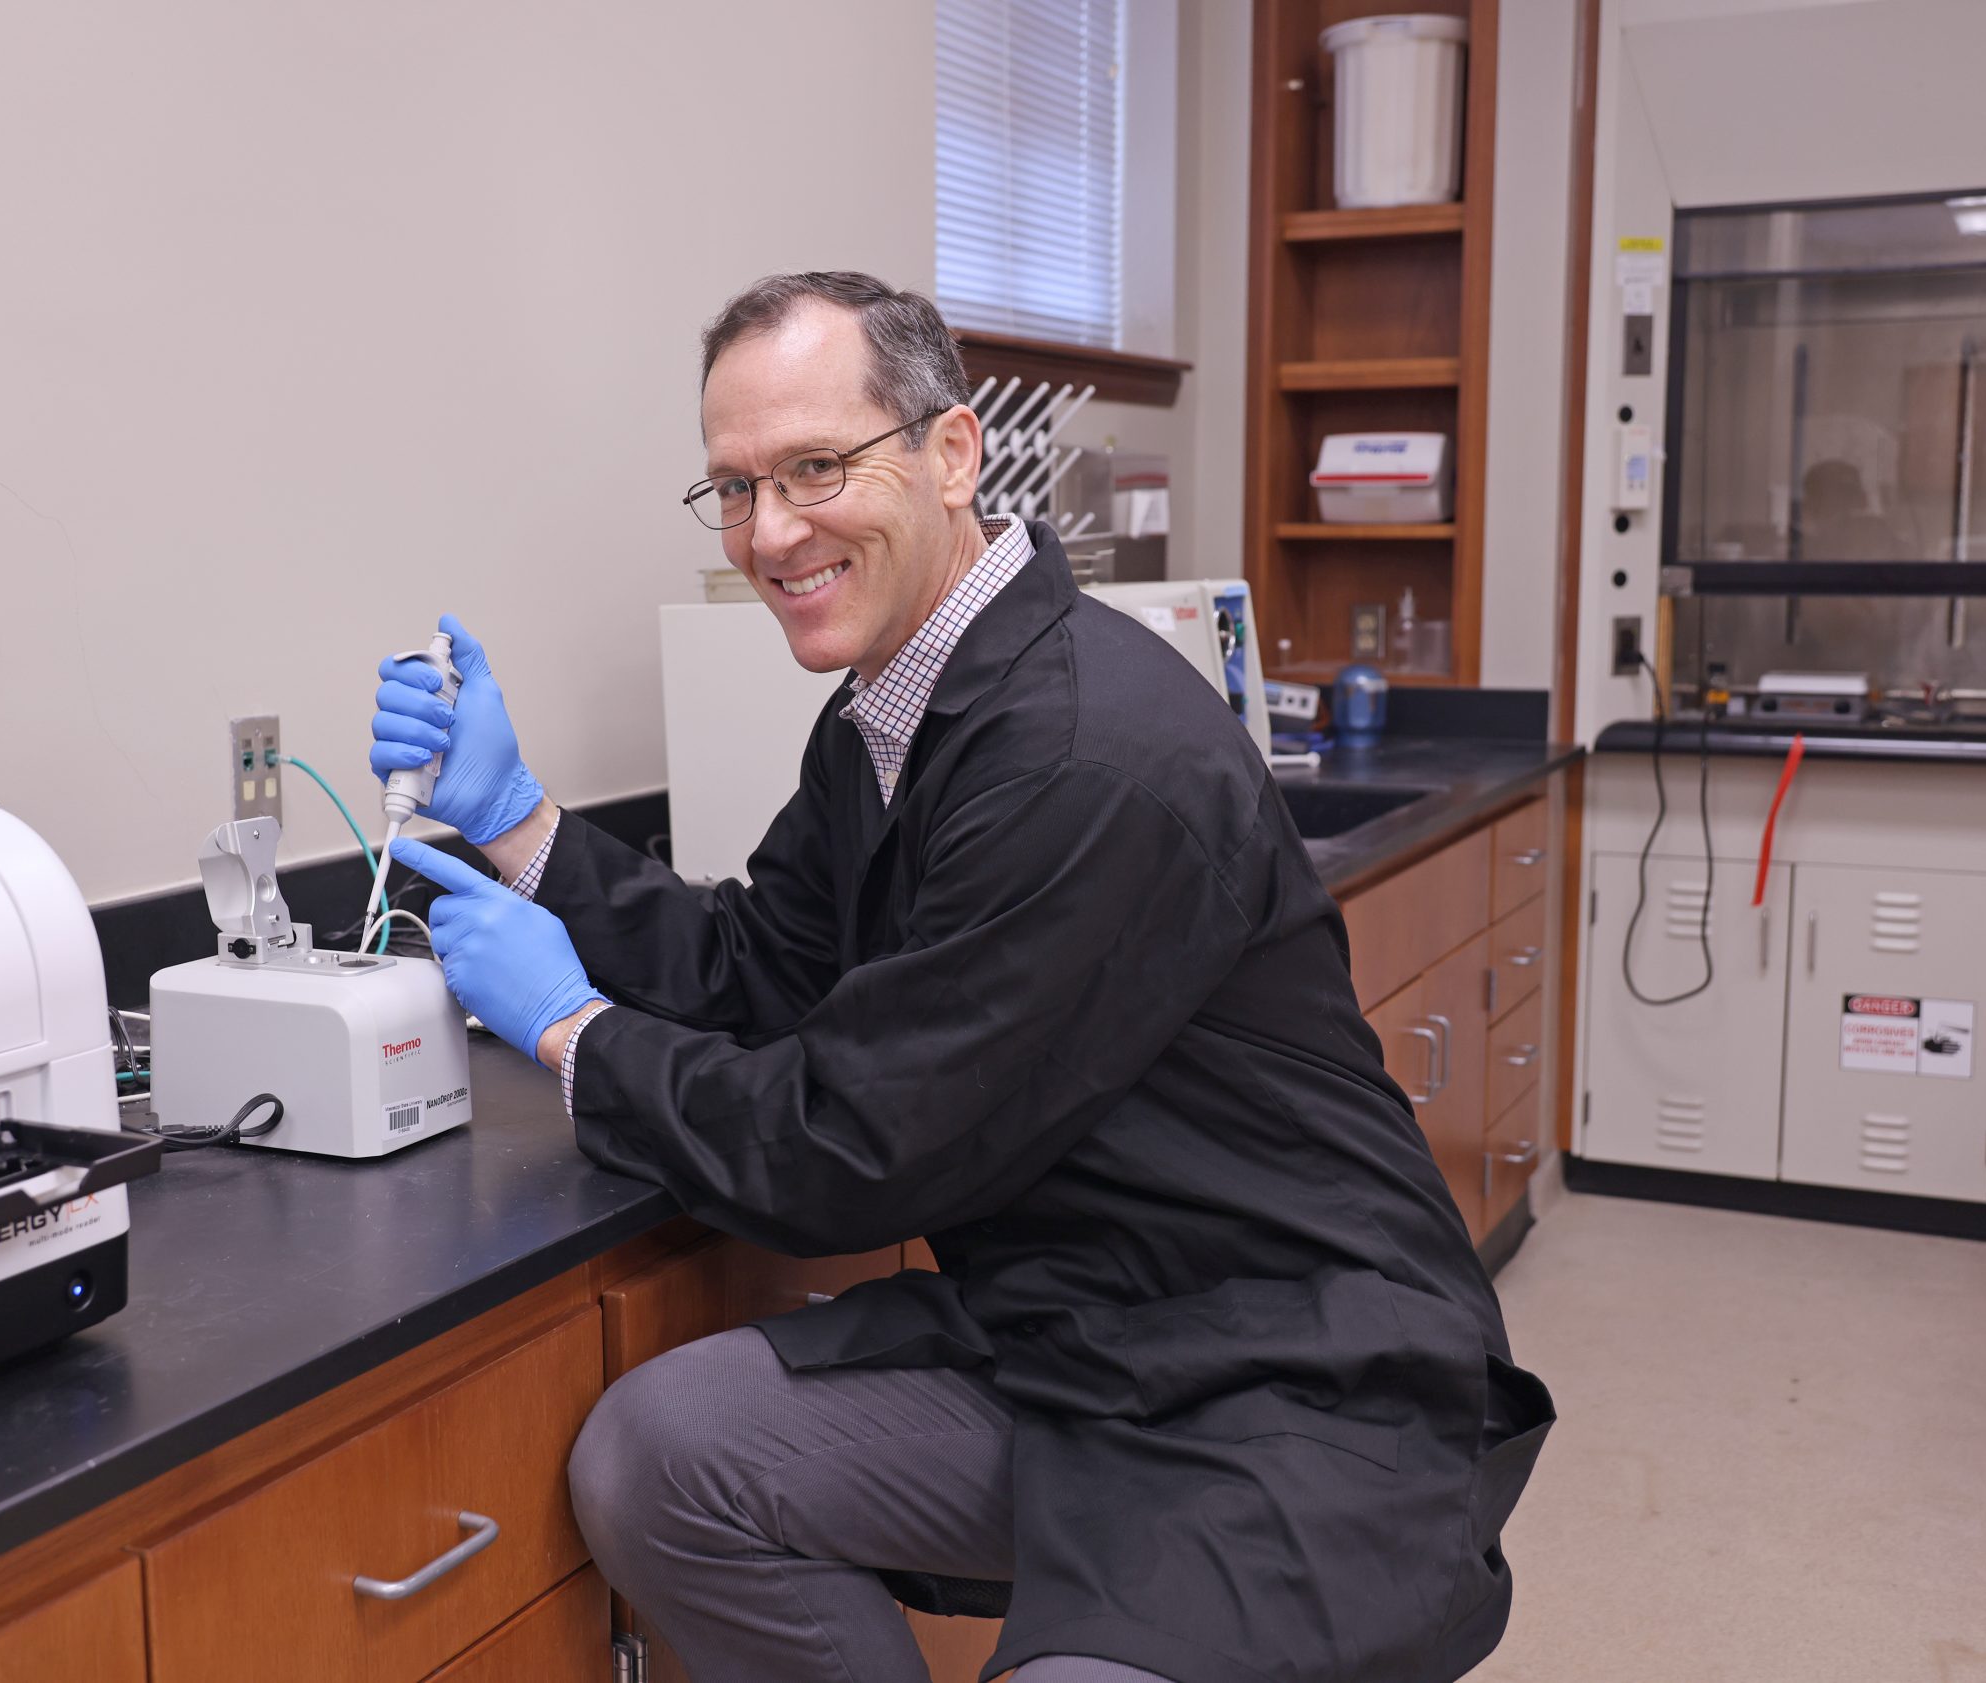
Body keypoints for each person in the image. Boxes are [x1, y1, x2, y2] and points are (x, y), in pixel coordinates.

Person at [370, 272, 1551, 1683]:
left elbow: (852, 1145)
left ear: (952, 452)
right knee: (663, 1457)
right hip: (1079, 1336)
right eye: (735, 488)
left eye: (815, 468)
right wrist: (519, 825)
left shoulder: (1082, 755)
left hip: (1289, 1389)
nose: (771, 531)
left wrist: (572, 1031)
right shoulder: (896, 710)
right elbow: (763, 966)